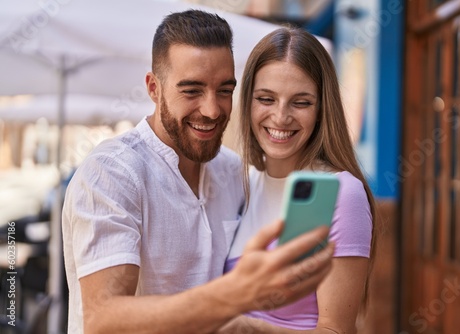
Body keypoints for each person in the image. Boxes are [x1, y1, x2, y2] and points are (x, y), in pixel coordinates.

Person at [61, 10, 335, 334]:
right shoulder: (112, 174)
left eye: (224, 90)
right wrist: (231, 296)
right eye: (191, 91)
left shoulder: (234, 172)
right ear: (153, 88)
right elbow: (103, 319)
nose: (212, 110)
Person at [221, 27, 377, 333]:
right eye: (266, 98)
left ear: (321, 109)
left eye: (301, 102)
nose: (280, 117)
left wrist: (244, 326)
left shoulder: (342, 192)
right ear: (248, 101)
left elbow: (336, 330)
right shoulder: (240, 185)